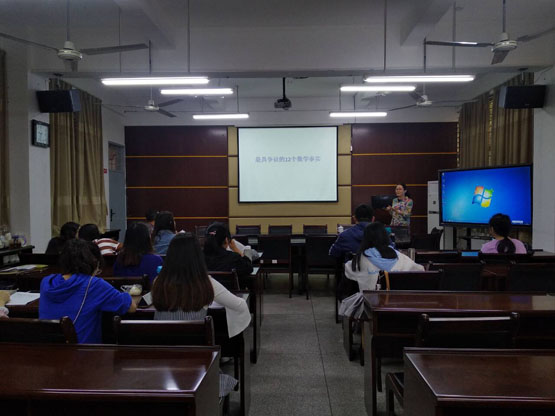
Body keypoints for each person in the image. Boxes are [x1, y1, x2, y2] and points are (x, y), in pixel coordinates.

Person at [151, 233, 250, 397]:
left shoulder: (158, 281)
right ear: (198, 257)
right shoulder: (205, 282)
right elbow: (239, 305)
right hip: (196, 362)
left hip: (162, 359)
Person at [39, 239, 136, 343]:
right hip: (83, 350)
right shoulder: (94, 284)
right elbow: (131, 307)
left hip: (49, 349)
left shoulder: (46, 282)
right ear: (94, 263)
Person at [345, 222, 424, 291]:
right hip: (398, 301)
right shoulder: (400, 257)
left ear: (365, 239)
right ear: (386, 237)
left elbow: (348, 271)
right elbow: (420, 270)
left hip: (369, 302)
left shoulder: (361, 259)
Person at [203, 222, 253, 288]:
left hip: (205, 293)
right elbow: (249, 268)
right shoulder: (234, 258)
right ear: (226, 240)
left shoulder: (197, 258)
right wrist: (236, 249)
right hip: (230, 293)